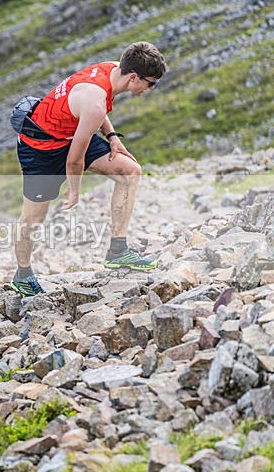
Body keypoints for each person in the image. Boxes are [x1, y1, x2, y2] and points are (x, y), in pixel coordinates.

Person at [9, 42, 167, 297]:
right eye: (151, 83)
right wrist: (75, 191)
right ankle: (23, 274)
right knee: (33, 218)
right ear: (134, 77)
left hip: (71, 131)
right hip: (40, 148)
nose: (151, 89)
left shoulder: (112, 70)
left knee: (130, 172)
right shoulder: (95, 101)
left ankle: (118, 250)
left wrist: (112, 135)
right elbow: (74, 160)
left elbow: (97, 110)